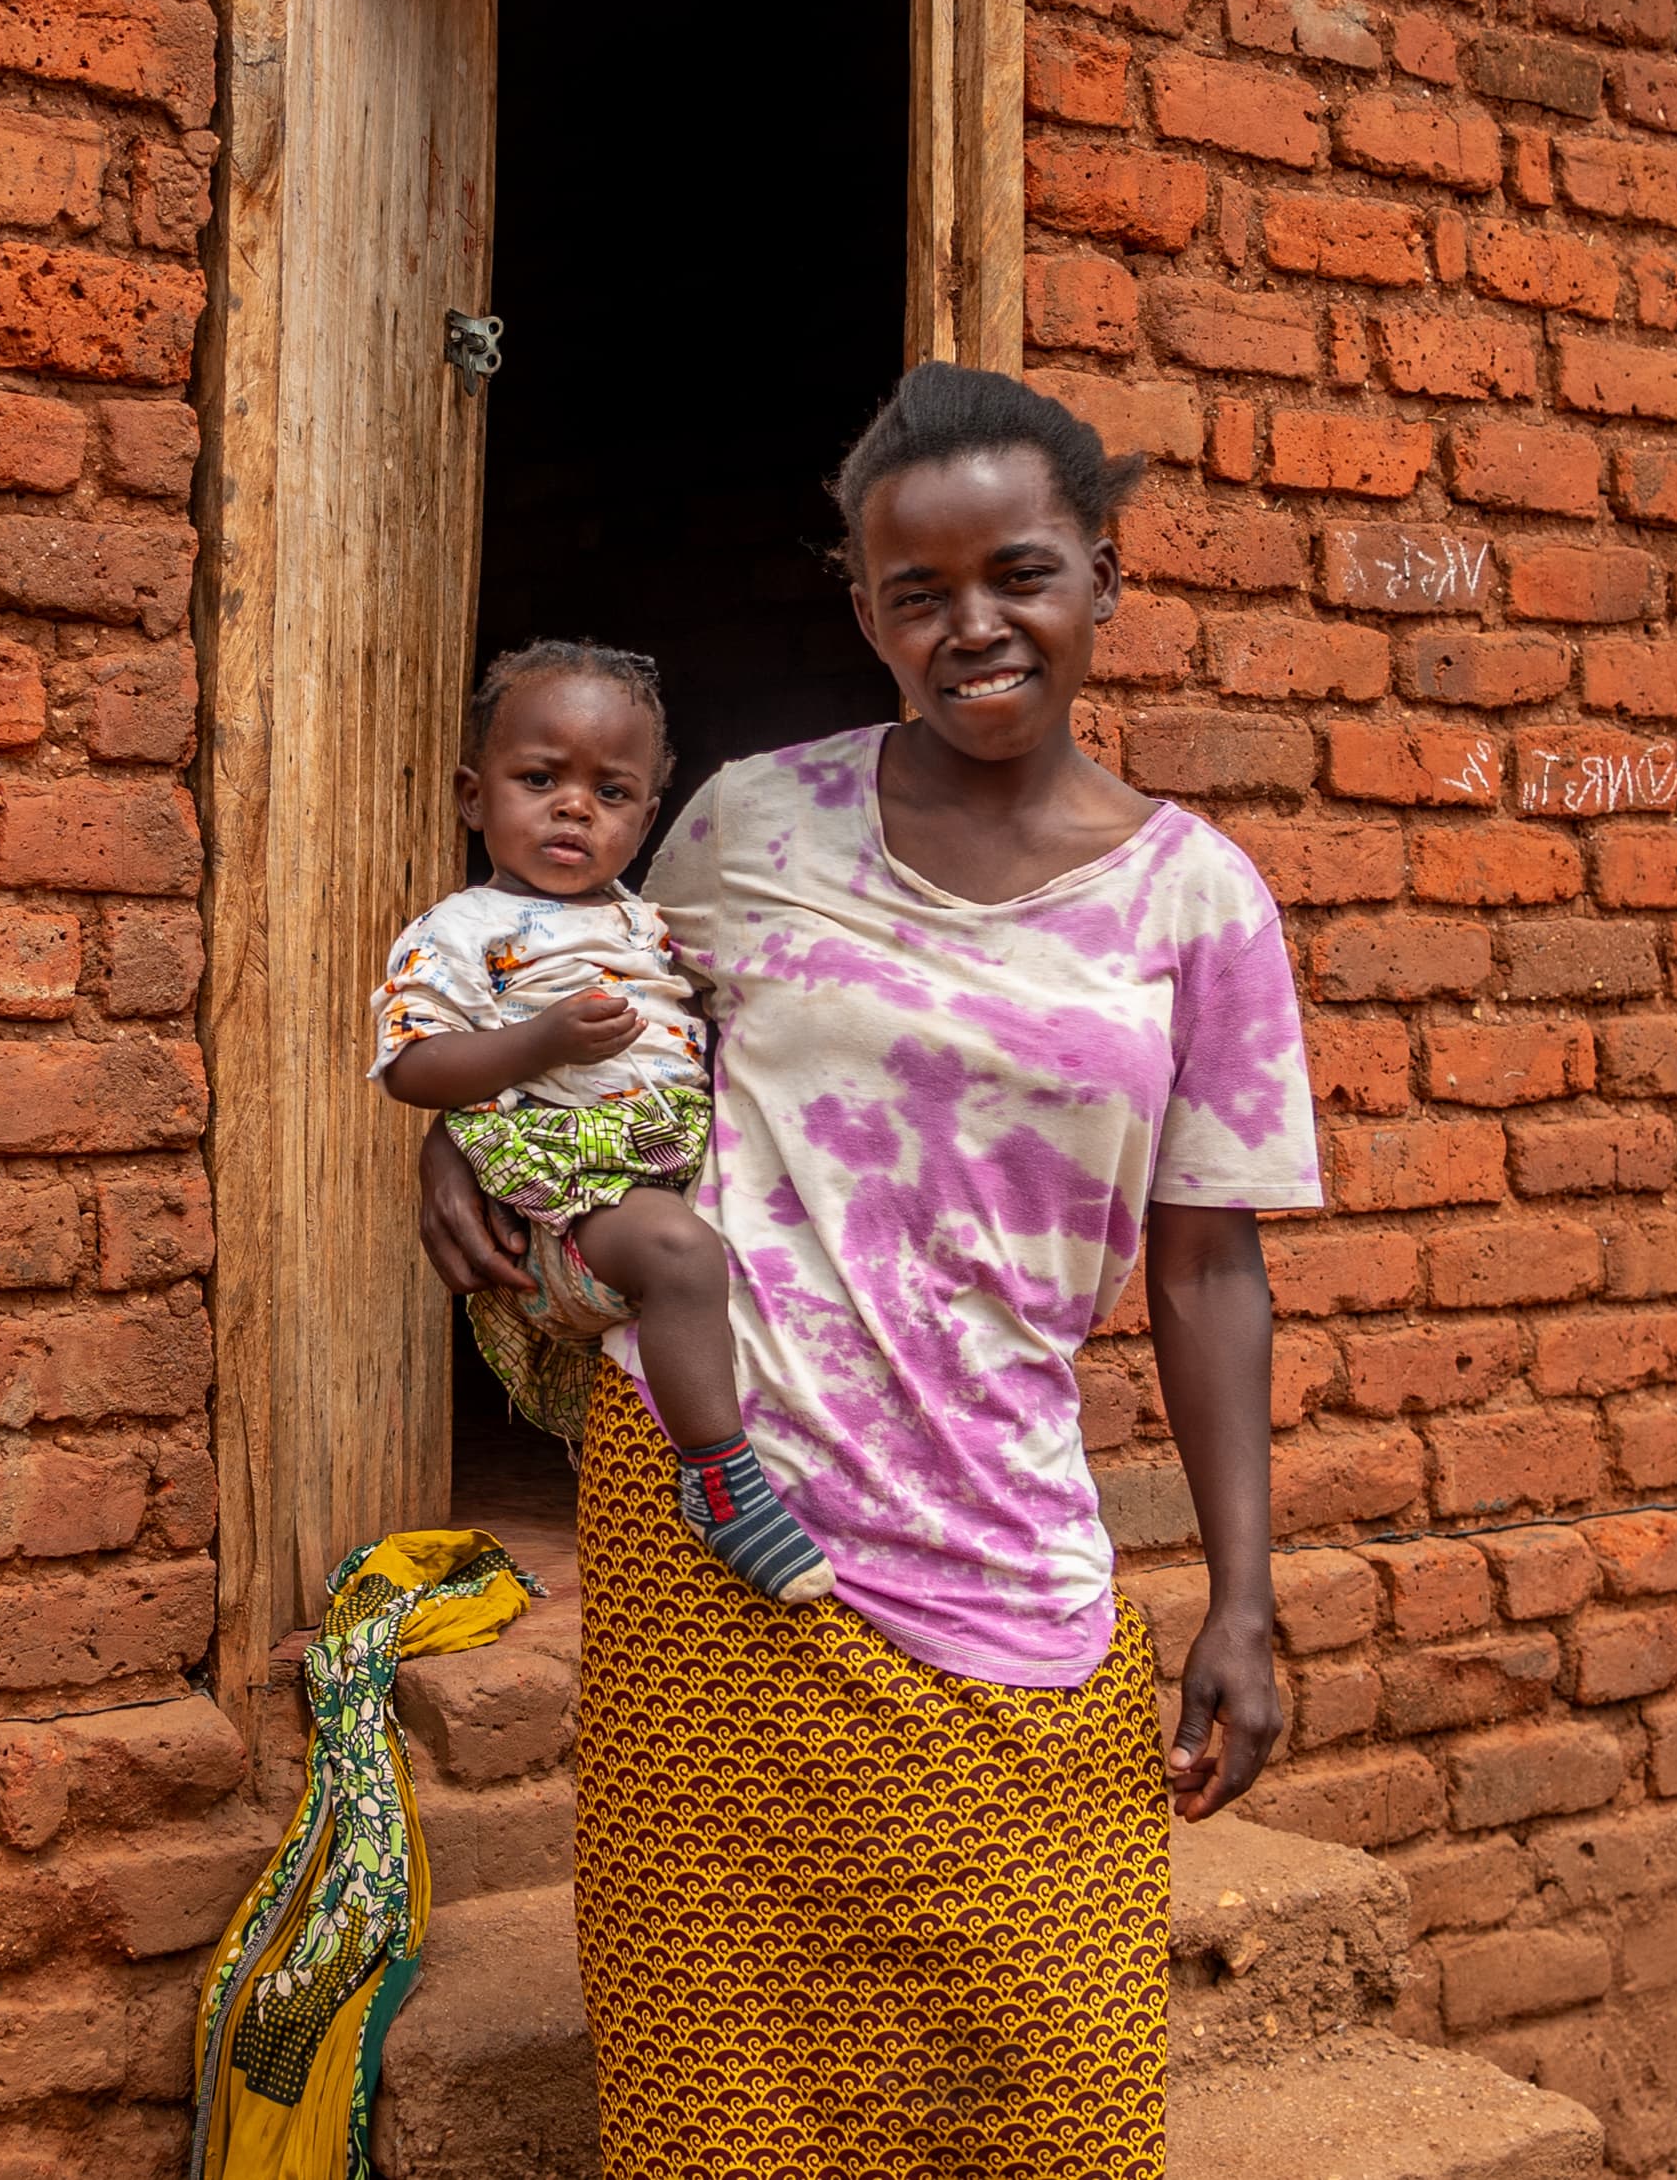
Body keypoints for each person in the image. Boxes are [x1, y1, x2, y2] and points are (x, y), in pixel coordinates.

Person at [419, 361, 1318, 2174]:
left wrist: (1244, 1594)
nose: (973, 625)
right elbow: (596, 1018)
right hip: (719, 1532)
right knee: (720, 2097)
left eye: (1021, 573)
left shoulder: (1198, 903)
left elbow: (1210, 1268)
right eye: (920, 591)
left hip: (1007, 1533)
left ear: (1103, 576)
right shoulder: (753, 822)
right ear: (867, 614)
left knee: (1056, 2098)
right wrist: (463, 1127)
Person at [373, 641, 833, 1603]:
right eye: (540, 780)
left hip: (662, 1161)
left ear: (647, 819)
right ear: (473, 797)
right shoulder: (459, 931)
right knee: (678, 1252)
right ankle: (721, 1487)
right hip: (567, 1193)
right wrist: (538, 1042)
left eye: (610, 792)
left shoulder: (648, 924)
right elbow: (412, 1066)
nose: (575, 808)